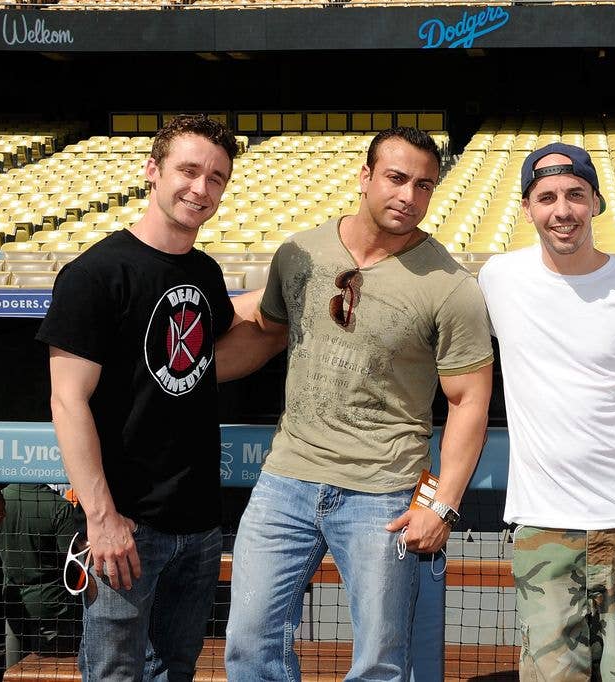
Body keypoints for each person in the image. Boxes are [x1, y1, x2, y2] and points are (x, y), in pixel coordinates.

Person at [219, 126, 494, 681]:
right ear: (365, 176)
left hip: (384, 493)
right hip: (285, 482)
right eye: (395, 178)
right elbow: (268, 332)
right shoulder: (300, 253)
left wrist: (440, 506)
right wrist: (179, 379)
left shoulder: (450, 285)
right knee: (249, 646)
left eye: (424, 185)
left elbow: (469, 402)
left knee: (379, 665)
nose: (408, 196)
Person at [36, 114, 240, 681]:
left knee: (175, 669)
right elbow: (67, 402)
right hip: (124, 528)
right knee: (113, 673)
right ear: (153, 171)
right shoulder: (94, 274)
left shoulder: (205, 272)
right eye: (189, 170)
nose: (201, 189)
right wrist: (102, 518)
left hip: (198, 526)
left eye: (216, 178)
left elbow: (212, 358)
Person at [478, 143, 615, 680]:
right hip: (542, 529)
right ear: (527, 208)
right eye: (546, 197)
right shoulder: (498, 280)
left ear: (596, 201)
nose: (561, 210)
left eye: (574, 194)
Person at [0, 483, 83, 662]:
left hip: (13, 601)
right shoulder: (60, 506)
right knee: (50, 671)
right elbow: (74, 562)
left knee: (14, 669)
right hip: (52, 607)